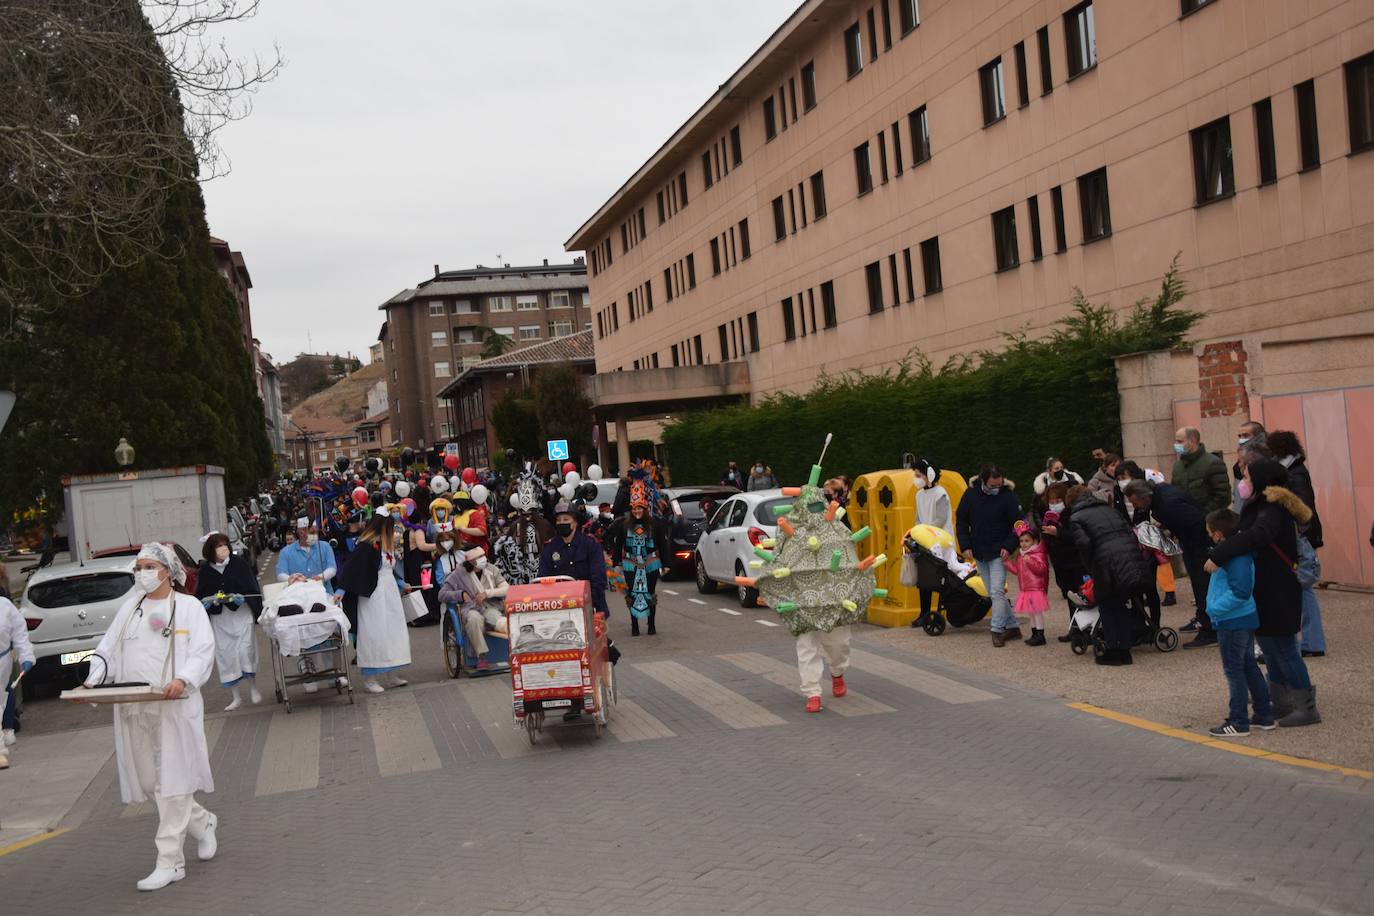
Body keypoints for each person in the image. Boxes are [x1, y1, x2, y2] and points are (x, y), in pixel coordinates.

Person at [72, 543, 217, 891]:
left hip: (174, 707)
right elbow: (106, 649)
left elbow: (202, 650)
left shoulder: (188, 607)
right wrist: (92, 681)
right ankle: (202, 821)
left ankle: (170, 862)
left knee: (174, 780)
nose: (141, 573)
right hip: (134, 706)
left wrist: (183, 679)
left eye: (148, 566)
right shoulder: (130, 608)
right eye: (138, 568)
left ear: (167, 570)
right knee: (152, 781)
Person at [1206, 458, 1321, 727]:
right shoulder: (1261, 506)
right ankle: (1281, 702)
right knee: (1269, 647)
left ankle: (1306, 707)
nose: (1242, 483)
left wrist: (1220, 553)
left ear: (1261, 480)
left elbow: (1256, 536)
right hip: (1267, 587)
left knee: (1283, 647)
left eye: (1246, 477)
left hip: (1278, 588)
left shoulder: (1272, 507)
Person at [1202, 509, 1275, 737]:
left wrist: (1214, 608)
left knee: (1234, 670)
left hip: (1233, 620)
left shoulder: (1235, 556)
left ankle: (1238, 721)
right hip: (1240, 618)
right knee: (1247, 665)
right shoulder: (1236, 553)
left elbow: (1241, 591)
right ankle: (1263, 714)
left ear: (1217, 535)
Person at [1123, 479, 1216, 648]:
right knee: (1200, 585)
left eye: (1135, 502)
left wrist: (1173, 533)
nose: (1135, 506)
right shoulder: (1162, 494)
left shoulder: (1168, 505)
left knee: (1202, 585)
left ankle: (1210, 630)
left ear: (1144, 497)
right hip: (1194, 542)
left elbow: (1196, 522)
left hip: (1198, 545)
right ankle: (1205, 621)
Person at [1068, 484, 1152, 665]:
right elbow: (1128, 532)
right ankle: (1125, 649)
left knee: (1107, 607)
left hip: (1104, 564)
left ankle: (1114, 650)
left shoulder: (1076, 517)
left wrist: (1090, 566)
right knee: (1120, 605)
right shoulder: (1110, 510)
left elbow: (1083, 544)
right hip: (1127, 559)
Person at [336, 508, 413, 694]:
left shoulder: (386, 546)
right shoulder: (367, 545)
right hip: (373, 595)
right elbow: (352, 568)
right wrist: (341, 589)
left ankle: (391, 672)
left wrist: (401, 582)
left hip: (390, 594)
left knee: (393, 631)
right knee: (374, 633)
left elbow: (389, 570)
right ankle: (369, 677)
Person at [1268, 430, 1326, 657]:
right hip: (1299, 537)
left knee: (1303, 589)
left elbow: (1303, 508)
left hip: (1299, 539)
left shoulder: (1294, 473)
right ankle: (1311, 641)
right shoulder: (1293, 470)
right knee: (1302, 589)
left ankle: (1312, 642)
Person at [955, 465, 1023, 647]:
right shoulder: (970, 494)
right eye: (993, 485)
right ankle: (1013, 626)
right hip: (979, 551)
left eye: (999, 485)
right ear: (983, 481)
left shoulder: (1008, 496)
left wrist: (1009, 546)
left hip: (999, 552)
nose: (996, 488)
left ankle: (997, 629)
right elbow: (961, 519)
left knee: (997, 591)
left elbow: (1019, 523)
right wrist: (966, 545)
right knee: (994, 593)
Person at [194, 532, 263, 711]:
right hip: (221, 618)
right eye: (218, 546)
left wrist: (242, 598)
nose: (223, 549)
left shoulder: (239, 564)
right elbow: (200, 596)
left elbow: (251, 587)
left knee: (245, 650)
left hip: (241, 614)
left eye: (225, 545)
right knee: (226, 654)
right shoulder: (206, 570)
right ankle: (236, 696)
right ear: (210, 550)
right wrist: (210, 600)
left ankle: (253, 687)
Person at [436, 547, 510, 670]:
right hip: (470, 609)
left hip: (490, 606)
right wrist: (460, 594)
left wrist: (488, 593)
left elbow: (506, 588)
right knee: (474, 619)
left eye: (483, 556)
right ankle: (481, 657)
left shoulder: (491, 569)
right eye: (479, 557)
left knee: (499, 621)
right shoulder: (458, 574)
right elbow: (441, 595)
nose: (483, 559)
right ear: (470, 561)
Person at [608, 496, 672, 636]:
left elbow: (662, 544)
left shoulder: (655, 524)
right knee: (632, 593)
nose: (637, 511)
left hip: (650, 563)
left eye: (639, 508)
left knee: (650, 592)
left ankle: (651, 625)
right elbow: (618, 545)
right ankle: (635, 625)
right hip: (630, 563)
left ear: (645, 509)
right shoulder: (624, 525)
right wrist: (616, 563)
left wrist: (666, 563)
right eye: (634, 509)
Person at [1116, 461, 1176, 606]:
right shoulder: (1117, 491)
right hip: (1131, 529)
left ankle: (1169, 591)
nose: (1121, 481)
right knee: (1138, 562)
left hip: (1150, 528)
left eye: (1124, 477)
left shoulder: (1145, 488)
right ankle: (1143, 592)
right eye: (1118, 478)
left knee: (1161, 559)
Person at [1037, 481, 1090, 642]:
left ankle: (1085, 629)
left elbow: (1076, 538)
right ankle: (1075, 629)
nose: (1054, 505)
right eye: (1051, 502)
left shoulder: (1073, 515)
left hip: (1076, 563)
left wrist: (1058, 533)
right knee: (1070, 597)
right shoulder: (1048, 518)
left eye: (1057, 501)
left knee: (1082, 596)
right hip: (1060, 564)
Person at [538, 501, 609, 619]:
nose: (562, 523)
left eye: (566, 519)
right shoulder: (549, 547)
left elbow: (598, 577)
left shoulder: (590, 544)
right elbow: (543, 577)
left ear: (575, 522)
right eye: (559, 520)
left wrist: (587, 601)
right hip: (560, 608)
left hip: (591, 606)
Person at [910, 458, 955, 629]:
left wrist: (925, 531)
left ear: (929, 475)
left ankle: (946, 610)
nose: (916, 478)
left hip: (941, 542)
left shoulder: (940, 493)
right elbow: (918, 518)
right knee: (925, 578)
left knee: (943, 578)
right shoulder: (919, 495)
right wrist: (916, 533)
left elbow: (941, 518)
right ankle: (924, 613)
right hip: (924, 541)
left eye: (918, 475)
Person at [1, 564, 36, 767]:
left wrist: (26, 656)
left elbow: (20, 633)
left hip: (2, 663)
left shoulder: (4, 606)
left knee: (1, 702)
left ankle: (2, 748)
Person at [1004, 520, 1050, 645]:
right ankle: (1034, 633)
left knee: (1037, 612)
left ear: (1034, 541)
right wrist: (1007, 563)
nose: (1023, 544)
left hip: (1036, 588)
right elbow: (1017, 571)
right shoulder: (1021, 555)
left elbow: (1042, 570)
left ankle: (1041, 635)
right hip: (1026, 589)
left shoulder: (1037, 554)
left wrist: (1030, 561)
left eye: (1027, 541)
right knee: (1031, 612)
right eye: (1021, 541)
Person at [1170, 426, 1231, 512]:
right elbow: (1174, 492)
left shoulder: (1213, 463)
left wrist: (1203, 514)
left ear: (1192, 441)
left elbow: (1222, 496)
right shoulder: (1177, 466)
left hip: (1206, 519)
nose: (1176, 445)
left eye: (1180, 441)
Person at [276, 518, 337, 589]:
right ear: (301, 532)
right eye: (312, 533)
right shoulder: (285, 552)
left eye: (316, 532)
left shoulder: (325, 546)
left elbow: (332, 568)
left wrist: (321, 577)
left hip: (324, 592)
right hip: (297, 594)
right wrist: (293, 579)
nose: (315, 535)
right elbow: (280, 574)